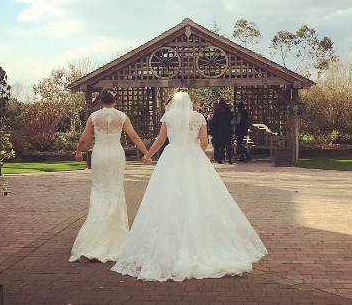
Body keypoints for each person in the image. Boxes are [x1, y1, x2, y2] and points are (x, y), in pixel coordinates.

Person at [111, 91, 267, 281]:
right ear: (190, 102)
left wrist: (148, 155)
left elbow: (160, 140)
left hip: (171, 157)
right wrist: (193, 153)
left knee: (167, 195)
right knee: (199, 195)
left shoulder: (168, 116)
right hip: (193, 156)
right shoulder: (198, 117)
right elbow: (204, 143)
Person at [70, 88, 148, 263]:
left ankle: (93, 238)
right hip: (116, 156)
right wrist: (146, 153)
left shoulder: (94, 117)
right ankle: (115, 236)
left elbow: (83, 139)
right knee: (115, 190)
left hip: (99, 155)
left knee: (100, 191)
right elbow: (134, 136)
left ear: (100, 101)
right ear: (116, 101)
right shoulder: (122, 116)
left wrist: (78, 153)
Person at [214, 98, 234, 164]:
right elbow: (232, 117)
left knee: (221, 145)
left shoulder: (217, 112)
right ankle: (229, 159)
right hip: (227, 129)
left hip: (220, 130)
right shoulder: (228, 111)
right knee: (228, 145)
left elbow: (214, 121)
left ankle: (220, 159)